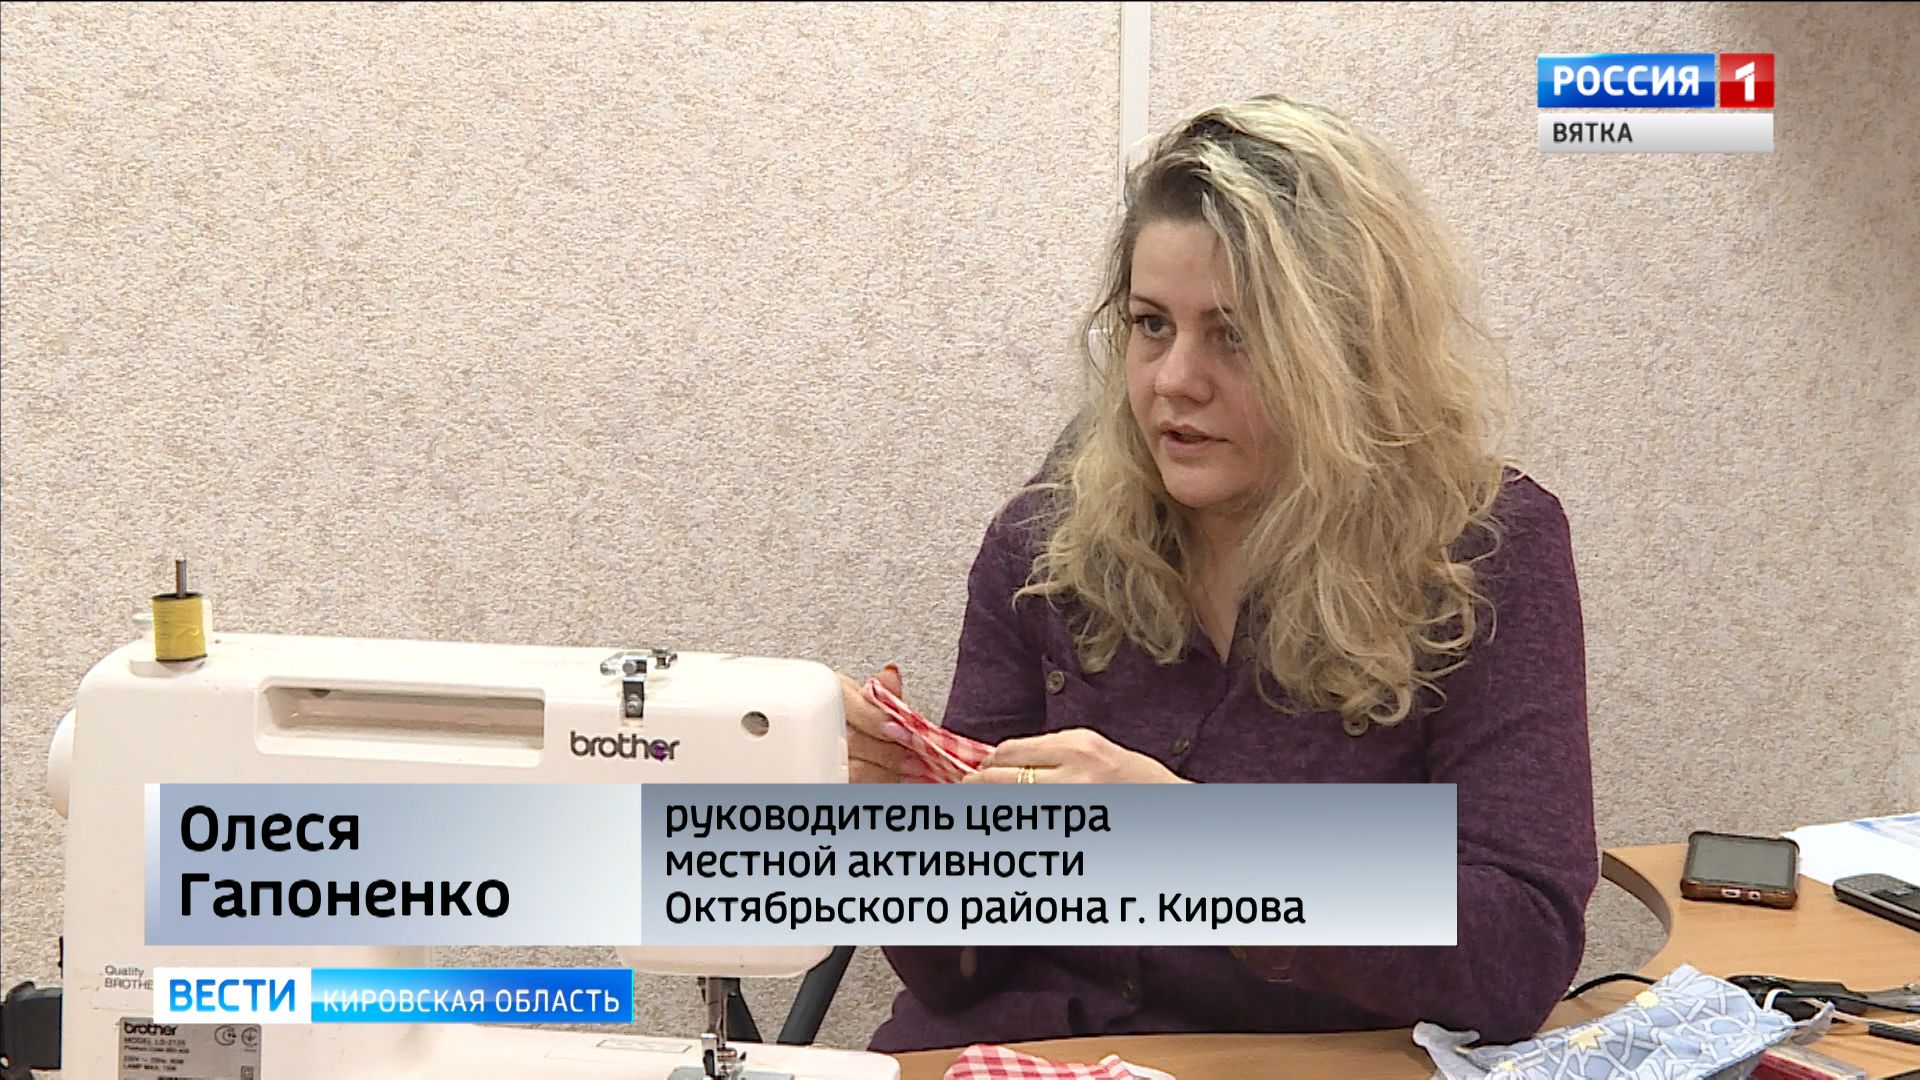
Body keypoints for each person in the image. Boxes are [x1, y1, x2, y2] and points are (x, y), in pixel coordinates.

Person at [840, 95, 1597, 1053]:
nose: (1173, 381)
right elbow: (960, 965)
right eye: (1151, 325)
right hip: (1013, 1055)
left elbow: (1518, 947)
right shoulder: (1044, 546)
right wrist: (905, 827)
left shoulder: (1483, 550)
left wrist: (1193, 845)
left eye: (1234, 335)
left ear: (1351, 348)